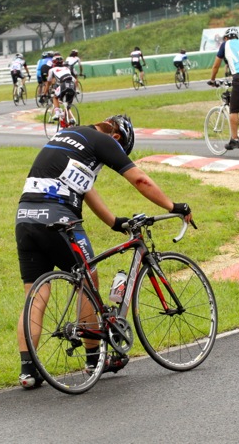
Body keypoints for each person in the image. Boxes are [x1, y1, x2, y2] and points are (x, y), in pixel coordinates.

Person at [14, 114, 194, 389]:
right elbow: (141, 180)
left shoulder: (73, 136)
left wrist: (113, 222)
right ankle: (94, 359)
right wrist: (174, 207)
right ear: (118, 137)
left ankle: (28, 372)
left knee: (36, 294)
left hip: (26, 217)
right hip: (60, 217)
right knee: (88, 281)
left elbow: (84, 188)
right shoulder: (103, 140)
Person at [43, 55, 77, 126]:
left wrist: (44, 93)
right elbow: (74, 80)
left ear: (54, 63)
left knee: (55, 97)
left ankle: (57, 113)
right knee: (67, 105)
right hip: (72, 85)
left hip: (63, 85)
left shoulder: (52, 70)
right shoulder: (66, 68)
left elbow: (48, 82)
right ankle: (71, 119)